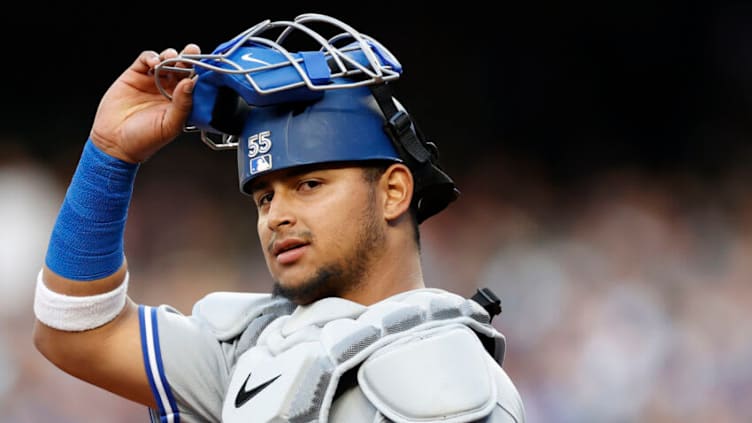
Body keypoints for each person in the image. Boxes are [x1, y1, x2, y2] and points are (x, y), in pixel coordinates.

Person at [32, 13, 526, 423]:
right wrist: (109, 158)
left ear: (394, 191)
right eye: (264, 198)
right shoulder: (256, 356)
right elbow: (75, 332)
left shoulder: (451, 389)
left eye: (308, 186)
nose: (277, 216)